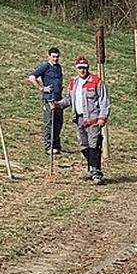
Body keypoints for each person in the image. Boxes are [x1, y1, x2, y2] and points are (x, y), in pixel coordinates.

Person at [52, 55, 110, 184]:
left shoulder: (96, 81)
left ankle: (96, 172)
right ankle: (91, 168)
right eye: (80, 68)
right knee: (84, 146)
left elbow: (104, 101)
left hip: (93, 119)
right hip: (79, 119)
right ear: (76, 69)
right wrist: (58, 105)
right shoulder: (74, 82)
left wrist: (102, 117)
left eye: (84, 68)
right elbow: (69, 99)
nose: (82, 70)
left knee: (94, 144)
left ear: (88, 68)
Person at [28, 48, 64, 155]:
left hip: (58, 98)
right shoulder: (45, 67)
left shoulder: (58, 67)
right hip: (49, 99)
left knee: (58, 122)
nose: (55, 59)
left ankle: (56, 146)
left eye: (57, 57)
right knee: (49, 122)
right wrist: (41, 88)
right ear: (49, 56)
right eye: (53, 56)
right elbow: (32, 77)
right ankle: (49, 146)